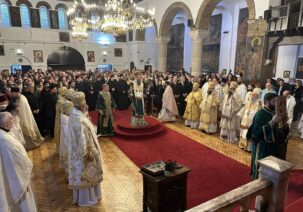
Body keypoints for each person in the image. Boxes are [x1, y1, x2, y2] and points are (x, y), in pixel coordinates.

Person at [68, 92, 103, 206]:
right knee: (87, 175)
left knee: (86, 174)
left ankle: (90, 195)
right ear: (81, 105)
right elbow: (81, 139)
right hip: (85, 153)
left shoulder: (75, 115)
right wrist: (88, 153)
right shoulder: (78, 119)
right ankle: (87, 198)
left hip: (77, 152)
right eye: (85, 103)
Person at [0, 112, 37, 212]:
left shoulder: (4, 133)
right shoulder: (5, 139)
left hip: (13, 171)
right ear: (5, 125)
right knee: (23, 202)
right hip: (16, 174)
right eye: (11, 119)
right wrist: (28, 164)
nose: (13, 121)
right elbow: (16, 157)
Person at [247, 93, 289, 179]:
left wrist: (284, 124)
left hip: (274, 147)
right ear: (266, 101)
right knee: (261, 169)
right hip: (263, 147)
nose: (276, 105)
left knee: (272, 170)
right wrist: (272, 122)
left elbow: (281, 133)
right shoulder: (260, 114)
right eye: (274, 102)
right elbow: (256, 133)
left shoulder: (275, 113)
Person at [59, 100, 73, 175]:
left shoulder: (65, 116)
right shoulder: (65, 119)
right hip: (67, 141)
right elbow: (67, 133)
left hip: (66, 140)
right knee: (68, 157)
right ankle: (69, 174)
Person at [54, 87, 67, 153]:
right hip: (62, 119)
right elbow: (63, 111)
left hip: (59, 118)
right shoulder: (61, 101)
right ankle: (61, 150)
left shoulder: (60, 99)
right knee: (61, 133)